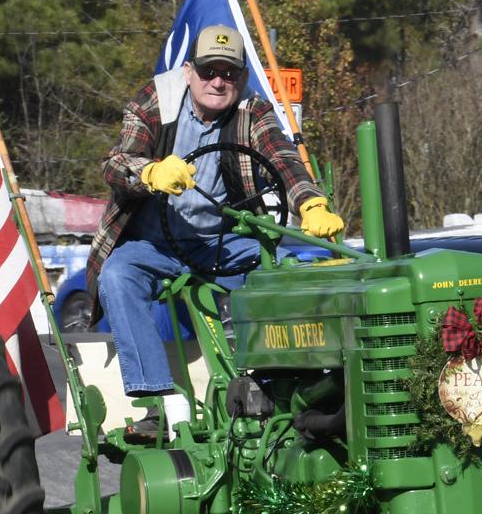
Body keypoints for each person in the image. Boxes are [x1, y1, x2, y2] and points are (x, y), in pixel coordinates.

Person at [86, 25, 344, 440]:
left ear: (241, 78)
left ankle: (270, 391)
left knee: (275, 275)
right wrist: (148, 171)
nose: (218, 81)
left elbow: (282, 158)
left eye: (228, 72)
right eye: (208, 71)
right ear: (189, 71)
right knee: (117, 276)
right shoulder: (156, 99)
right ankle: (159, 403)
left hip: (221, 242)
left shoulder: (252, 112)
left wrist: (310, 202)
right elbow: (116, 162)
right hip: (152, 242)